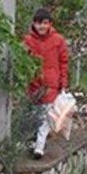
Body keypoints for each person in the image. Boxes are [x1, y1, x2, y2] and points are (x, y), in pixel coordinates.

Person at [24, 8, 69, 158]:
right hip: (34, 85)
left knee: (47, 117)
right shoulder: (28, 41)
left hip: (51, 85)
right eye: (38, 23)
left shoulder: (58, 40)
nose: (41, 26)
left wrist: (63, 83)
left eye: (44, 23)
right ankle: (34, 143)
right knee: (35, 115)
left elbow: (63, 62)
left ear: (50, 24)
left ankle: (39, 147)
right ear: (34, 24)